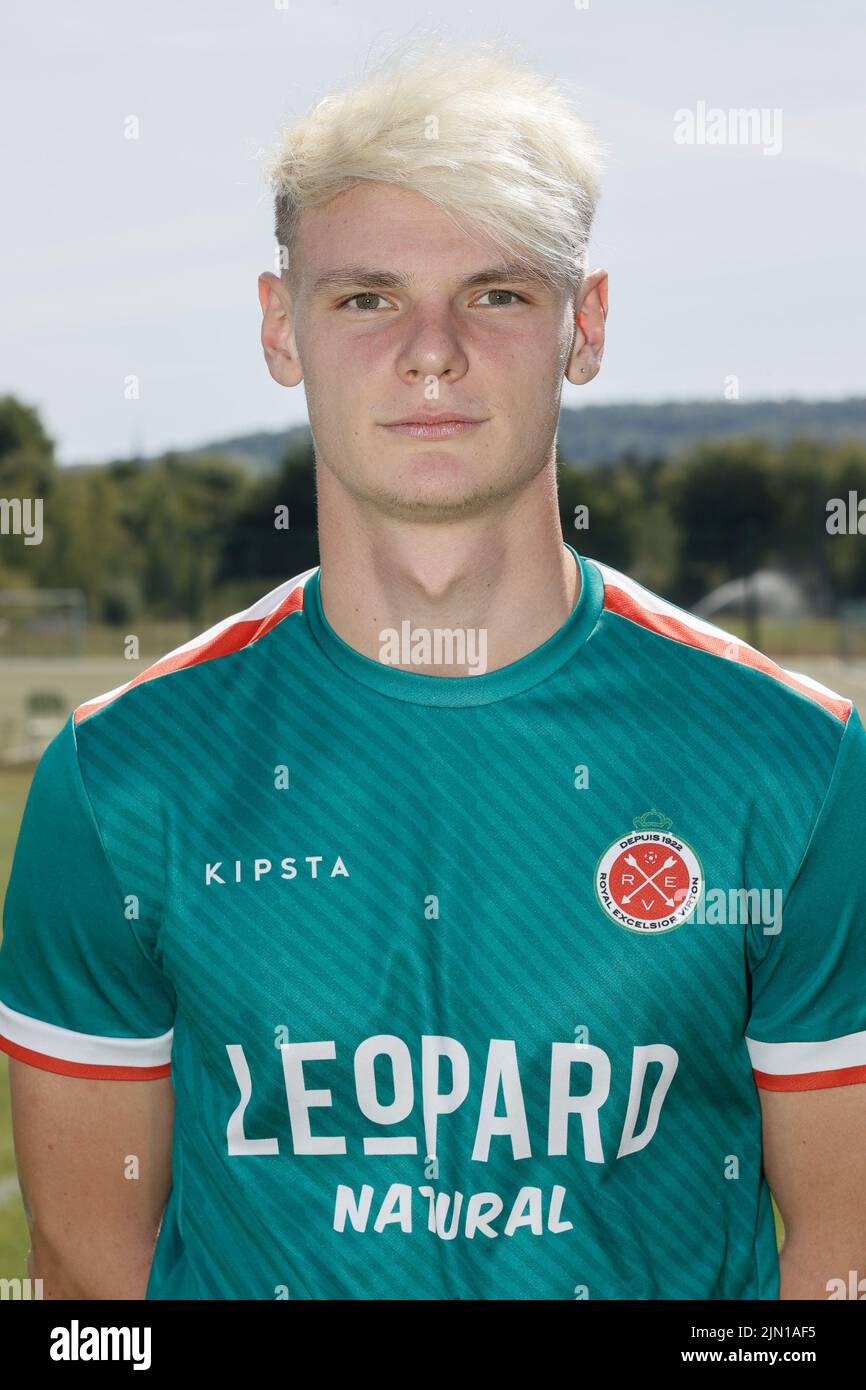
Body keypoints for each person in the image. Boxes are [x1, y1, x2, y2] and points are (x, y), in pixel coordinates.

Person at [1, 38, 864, 1302]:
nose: (431, 351)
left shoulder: (797, 764)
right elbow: (87, 1279)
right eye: (364, 297)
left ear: (587, 325)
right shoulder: (120, 775)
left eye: (497, 293)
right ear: (276, 327)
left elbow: (838, 1261)